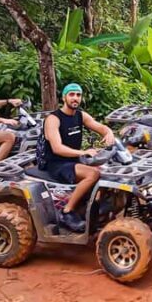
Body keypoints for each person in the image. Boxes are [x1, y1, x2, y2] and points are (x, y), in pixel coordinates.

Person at [42, 83, 116, 233]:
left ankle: (93, 207)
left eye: (78, 95)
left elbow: (100, 127)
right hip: (57, 163)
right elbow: (57, 148)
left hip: (74, 160)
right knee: (93, 174)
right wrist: (82, 152)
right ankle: (66, 212)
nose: (75, 98)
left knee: (108, 170)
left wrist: (109, 133)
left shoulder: (80, 115)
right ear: (64, 97)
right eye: (71, 94)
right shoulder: (53, 119)